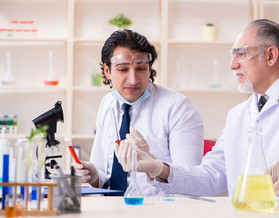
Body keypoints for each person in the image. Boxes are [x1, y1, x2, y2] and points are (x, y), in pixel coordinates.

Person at [117, 19, 279, 199]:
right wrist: (158, 168)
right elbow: (212, 176)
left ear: (271, 55)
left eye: (240, 55)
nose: (232, 65)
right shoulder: (238, 116)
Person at [72, 29, 204, 196]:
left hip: (158, 215)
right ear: (107, 71)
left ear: (149, 68)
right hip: (110, 212)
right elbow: (105, 175)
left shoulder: (179, 108)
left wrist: (155, 166)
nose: (133, 79)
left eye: (141, 68)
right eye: (123, 69)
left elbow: (192, 182)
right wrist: (93, 175)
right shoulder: (107, 104)